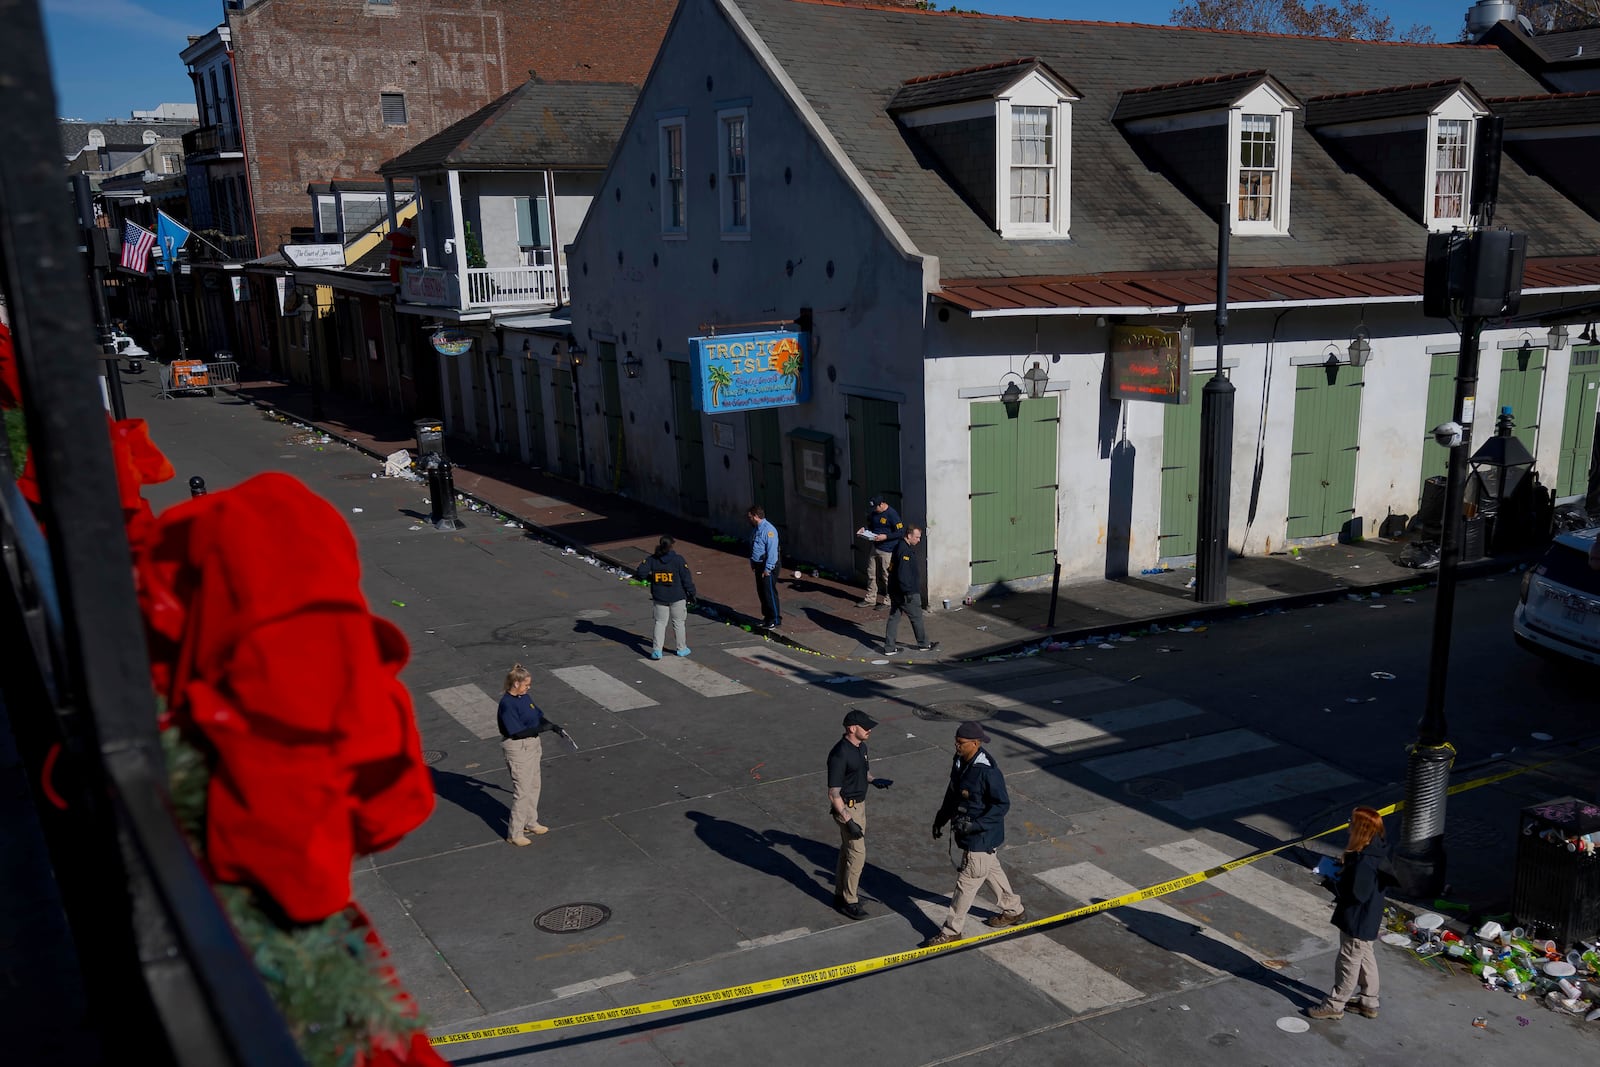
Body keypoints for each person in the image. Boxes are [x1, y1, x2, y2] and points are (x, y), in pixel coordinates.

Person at [921, 721, 1023, 946]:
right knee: (990, 870)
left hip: (981, 837)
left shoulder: (988, 772)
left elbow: (1001, 805)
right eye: (956, 742)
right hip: (969, 834)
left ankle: (951, 931)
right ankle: (1013, 909)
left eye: (961, 743)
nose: (956, 746)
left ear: (975, 744)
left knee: (965, 884)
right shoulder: (959, 762)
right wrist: (941, 818)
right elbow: (953, 793)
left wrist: (975, 825)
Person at [1308, 806, 1393, 1020]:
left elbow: (1357, 894)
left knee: (1348, 962)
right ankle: (1369, 1001)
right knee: (1365, 957)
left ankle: (1335, 1005)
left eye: (1351, 823)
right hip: (1369, 919)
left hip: (1356, 920)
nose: (1348, 826)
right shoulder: (1376, 850)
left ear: (1361, 829)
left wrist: (1331, 882)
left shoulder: (1364, 861)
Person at [827, 709, 891, 920]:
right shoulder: (839, 754)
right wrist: (848, 820)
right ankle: (850, 901)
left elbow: (862, 771)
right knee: (858, 855)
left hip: (860, 806)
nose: (870, 729)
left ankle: (840, 894)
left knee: (847, 852)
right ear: (852, 728)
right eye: (866, 726)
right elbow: (833, 792)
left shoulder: (861, 746)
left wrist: (874, 780)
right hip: (847, 809)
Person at [496, 664, 566, 846]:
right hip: (519, 748)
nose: (529, 687)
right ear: (516, 683)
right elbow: (516, 732)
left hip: (533, 744)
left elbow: (537, 715)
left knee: (534, 785)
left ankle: (530, 821)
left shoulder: (524, 697)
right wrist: (543, 728)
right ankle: (515, 833)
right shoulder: (507, 704)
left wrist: (552, 725)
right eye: (526, 684)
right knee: (522, 791)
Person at [635, 535, 696, 660]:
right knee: (678, 623)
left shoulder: (652, 559)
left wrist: (651, 579)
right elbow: (686, 579)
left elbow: (640, 572)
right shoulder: (678, 560)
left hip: (659, 596)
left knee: (660, 623)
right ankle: (681, 648)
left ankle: (657, 651)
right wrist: (692, 593)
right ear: (671, 546)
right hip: (677, 596)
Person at [884, 526, 938, 656]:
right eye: (917, 537)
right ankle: (924, 644)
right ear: (909, 536)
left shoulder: (898, 547)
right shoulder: (905, 552)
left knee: (894, 618)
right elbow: (903, 574)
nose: (919, 540)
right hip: (906, 592)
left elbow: (891, 569)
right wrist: (907, 592)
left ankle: (889, 648)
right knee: (917, 618)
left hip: (895, 590)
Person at [858, 494, 904, 608]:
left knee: (887, 575)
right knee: (871, 572)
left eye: (876, 508)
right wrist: (865, 530)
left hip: (887, 549)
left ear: (882, 504)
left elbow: (900, 532)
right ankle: (870, 598)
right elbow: (873, 527)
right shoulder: (874, 514)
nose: (874, 510)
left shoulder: (892, 514)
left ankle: (889, 600)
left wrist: (885, 537)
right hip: (875, 546)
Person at [747, 504, 781, 629]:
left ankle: (775, 618)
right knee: (761, 592)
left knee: (769, 592)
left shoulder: (768, 530)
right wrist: (753, 562)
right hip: (759, 565)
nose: (749, 520)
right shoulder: (756, 529)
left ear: (755, 516)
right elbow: (754, 546)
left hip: (768, 565)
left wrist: (768, 569)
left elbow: (772, 552)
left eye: (750, 517)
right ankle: (767, 616)